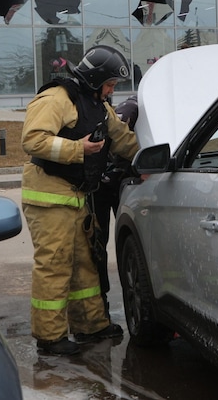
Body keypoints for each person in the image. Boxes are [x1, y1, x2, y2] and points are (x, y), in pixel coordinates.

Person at [21, 45, 138, 356]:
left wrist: (152, 158)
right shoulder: (57, 99)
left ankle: (90, 326)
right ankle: (50, 337)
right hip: (48, 195)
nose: (112, 91)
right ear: (94, 79)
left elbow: (122, 137)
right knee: (55, 266)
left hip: (76, 196)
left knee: (86, 264)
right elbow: (32, 139)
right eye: (110, 84)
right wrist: (78, 150)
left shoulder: (99, 104)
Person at [91, 95, 138, 317]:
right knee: (99, 244)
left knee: (126, 244)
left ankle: (103, 303)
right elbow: (120, 139)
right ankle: (99, 303)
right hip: (108, 182)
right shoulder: (133, 107)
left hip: (119, 181)